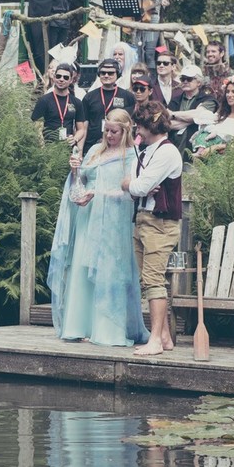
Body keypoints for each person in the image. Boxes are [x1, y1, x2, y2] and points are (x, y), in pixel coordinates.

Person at [48, 108, 149, 346]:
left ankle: (107, 330)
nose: (109, 136)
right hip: (88, 217)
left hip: (114, 222)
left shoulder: (132, 156)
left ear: (125, 131)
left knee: (109, 270)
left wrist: (99, 193)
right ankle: (78, 325)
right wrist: (75, 171)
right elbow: (80, 184)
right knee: (82, 269)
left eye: (114, 132)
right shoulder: (94, 150)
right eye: (106, 131)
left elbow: (130, 193)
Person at [123, 100, 182, 357]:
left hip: (160, 224)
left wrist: (132, 184)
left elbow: (136, 187)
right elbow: (135, 187)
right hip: (143, 219)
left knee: (154, 281)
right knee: (145, 281)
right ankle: (166, 337)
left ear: (150, 125)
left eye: (139, 125)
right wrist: (134, 185)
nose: (137, 130)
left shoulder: (167, 152)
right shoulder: (147, 151)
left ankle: (155, 340)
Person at [26, 0, 75, 76]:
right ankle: (48, 74)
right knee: (51, 50)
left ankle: (59, 73)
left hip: (64, 20)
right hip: (52, 20)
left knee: (61, 49)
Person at [191, 77, 234, 159]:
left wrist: (216, 147)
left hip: (230, 160)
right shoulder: (222, 113)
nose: (229, 95)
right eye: (227, 92)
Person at [31, 62, 86, 150]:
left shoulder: (76, 102)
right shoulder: (44, 100)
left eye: (66, 77)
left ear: (71, 80)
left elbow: (81, 129)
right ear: (54, 77)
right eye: (58, 76)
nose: (61, 79)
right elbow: (36, 128)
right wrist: (42, 148)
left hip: (68, 148)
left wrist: (75, 139)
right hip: (48, 148)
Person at [82, 58, 135, 147]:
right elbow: (84, 126)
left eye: (110, 73)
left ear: (117, 74)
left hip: (119, 145)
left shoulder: (128, 96)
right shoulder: (89, 97)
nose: (106, 75)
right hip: (92, 145)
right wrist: (80, 150)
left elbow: (130, 124)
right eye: (103, 73)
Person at [168, 64, 217, 155]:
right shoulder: (175, 100)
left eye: (189, 79)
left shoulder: (208, 99)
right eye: (183, 79)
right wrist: (195, 119)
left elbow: (198, 114)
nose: (185, 81)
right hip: (174, 148)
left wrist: (173, 114)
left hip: (196, 150)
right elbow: (168, 124)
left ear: (199, 82)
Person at [130, 0, 169, 69]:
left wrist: (165, 2)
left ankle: (151, 78)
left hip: (153, 22)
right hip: (139, 22)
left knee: (150, 53)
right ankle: (138, 73)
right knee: (138, 52)